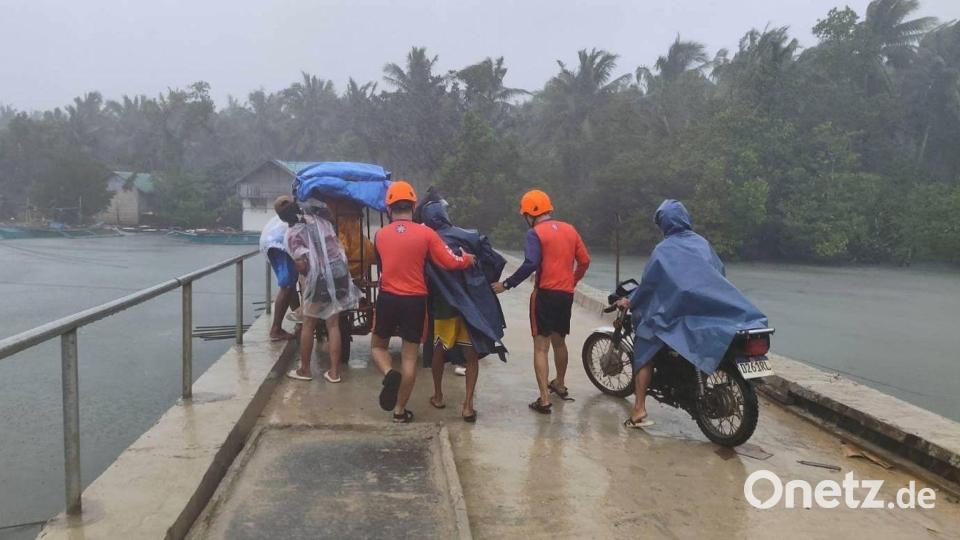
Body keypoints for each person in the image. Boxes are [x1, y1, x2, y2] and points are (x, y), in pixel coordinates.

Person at [615, 199, 767, 428]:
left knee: (644, 346)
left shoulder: (662, 250)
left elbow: (648, 285)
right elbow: (719, 273)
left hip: (677, 315)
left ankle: (638, 409)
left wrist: (632, 300)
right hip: (709, 310)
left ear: (663, 224)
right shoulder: (703, 244)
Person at [371, 181, 476, 423]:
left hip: (387, 298)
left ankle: (389, 373)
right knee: (409, 357)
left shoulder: (380, 236)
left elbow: (381, 265)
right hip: (415, 301)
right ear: (414, 206)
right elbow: (450, 262)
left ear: (389, 208)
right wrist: (466, 260)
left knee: (378, 347)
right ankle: (399, 411)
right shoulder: (426, 233)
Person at [492, 189, 590, 414]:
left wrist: (506, 284)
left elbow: (530, 263)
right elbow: (585, 260)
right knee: (559, 342)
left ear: (530, 214)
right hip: (565, 295)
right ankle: (560, 383)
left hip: (545, 294)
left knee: (540, 348)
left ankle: (544, 399)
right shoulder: (570, 229)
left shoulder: (535, 233)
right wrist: (572, 281)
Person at [417, 188, 508, 423]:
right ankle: (468, 405)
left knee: (438, 349)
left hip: (443, 306)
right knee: (471, 355)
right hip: (471, 306)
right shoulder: (470, 236)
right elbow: (493, 261)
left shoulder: (427, 241)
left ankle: (438, 395)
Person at [283, 197, 361, 383]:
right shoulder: (323, 223)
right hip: (339, 274)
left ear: (285, 219)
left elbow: (302, 264)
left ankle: (304, 370)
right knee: (333, 324)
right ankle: (334, 373)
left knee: (308, 324)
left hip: (319, 279)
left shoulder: (294, 233)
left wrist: (304, 270)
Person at [261, 196, 301, 341]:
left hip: (273, 243)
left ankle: (299, 319)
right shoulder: (294, 215)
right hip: (278, 244)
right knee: (288, 284)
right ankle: (276, 329)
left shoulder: (283, 216)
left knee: (291, 282)